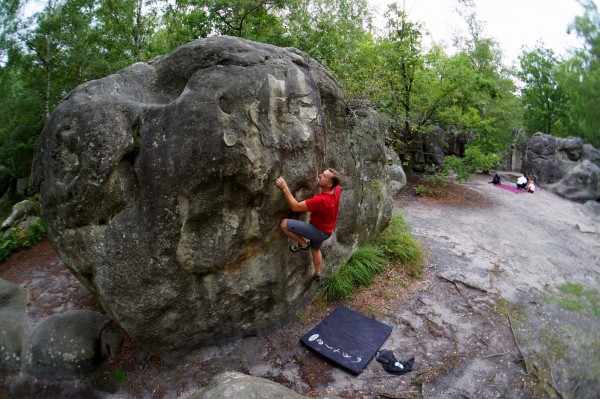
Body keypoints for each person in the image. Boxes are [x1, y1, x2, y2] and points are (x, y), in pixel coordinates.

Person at [275, 168, 341, 283]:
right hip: (327, 231)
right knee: (315, 250)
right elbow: (327, 185)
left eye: (323, 176)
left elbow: (295, 207)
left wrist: (285, 188)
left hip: (317, 231)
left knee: (284, 224)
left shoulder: (321, 200)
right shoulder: (336, 189)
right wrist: (321, 182)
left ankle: (304, 244)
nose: (320, 175)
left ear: (329, 184)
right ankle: (317, 274)